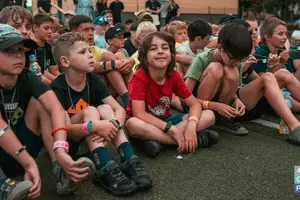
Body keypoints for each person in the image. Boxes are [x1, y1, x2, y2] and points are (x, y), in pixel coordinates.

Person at [51, 32, 152, 196]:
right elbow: (63, 128)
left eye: (89, 51)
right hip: (72, 143)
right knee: (91, 109)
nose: (90, 56)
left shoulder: (93, 80)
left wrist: (114, 124)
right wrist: (95, 126)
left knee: (105, 109)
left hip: (92, 137)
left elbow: (119, 109)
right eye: (83, 52)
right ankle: (104, 167)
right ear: (65, 61)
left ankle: (129, 159)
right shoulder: (57, 88)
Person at [0, 23, 94, 198]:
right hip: (11, 152)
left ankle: (60, 170)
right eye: (8, 51)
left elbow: (56, 108)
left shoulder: (26, 76)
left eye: (20, 50)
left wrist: (60, 148)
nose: (19, 56)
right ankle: (2, 184)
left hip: (21, 148)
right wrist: (29, 163)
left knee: (42, 103)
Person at [125, 32, 219, 157]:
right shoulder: (138, 77)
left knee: (209, 115)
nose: (160, 51)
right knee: (132, 124)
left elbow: (194, 104)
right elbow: (140, 114)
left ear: (171, 55)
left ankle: (160, 142)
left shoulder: (174, 75)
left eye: (165, 48)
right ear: (144, 57)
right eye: (153, 49)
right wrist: (171, 129)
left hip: (166, 119)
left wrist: (192, 125)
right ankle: (185, 141)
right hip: (145, 122)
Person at [184, 23, 251, 135]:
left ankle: (220, 118)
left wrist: (236, 100)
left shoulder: (236, 63)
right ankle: (204, 115)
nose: (238, 62)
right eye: (234, 58)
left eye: (242, 59)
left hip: (217, 102)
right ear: (220, 47)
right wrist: (214, 106)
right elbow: (184, 97)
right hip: (197, 104)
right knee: (216, 68)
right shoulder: (202, 59)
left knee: (232, 70)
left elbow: (233, 92)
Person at [68, 15, 130, 107]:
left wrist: (128, 60)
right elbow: (87, 67)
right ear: (74, 32)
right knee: (109, 58)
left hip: (101, 91)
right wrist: (112, 64)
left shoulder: (94, 49)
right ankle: (130, 99)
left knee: (116, 56)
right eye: (86, 30)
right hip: (82, 92)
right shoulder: (68, 49)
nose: (90, 33)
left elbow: (113, 57)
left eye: (92, 30)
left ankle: (132, 98)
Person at [32, 13, 60, 83]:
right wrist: (57, 82)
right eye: (46, 28)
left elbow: (55, 71)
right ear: (35, 28)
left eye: (51, 28)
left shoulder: (49, 47)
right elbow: (39, 73)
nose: (50, 31)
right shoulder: (31, 48)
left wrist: (62, 81)